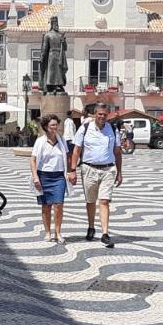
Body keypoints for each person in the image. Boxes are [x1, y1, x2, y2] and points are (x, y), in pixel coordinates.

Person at [67, 103, 123, 248]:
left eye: (105, 114)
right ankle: (91, 227)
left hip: (108, 170)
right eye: (99, 114)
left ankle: (105, 233)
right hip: (89, 168)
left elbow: (117, 152)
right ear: (94, 114)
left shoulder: (113, 129)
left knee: (104, 201)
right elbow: (76, 150)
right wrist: (72, 170)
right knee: (91, 201)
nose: (102, 117)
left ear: (108, 115)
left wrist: (119, 172)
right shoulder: (85, 128)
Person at [30, 115, 68, 243]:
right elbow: (33, 160)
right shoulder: (40, 141)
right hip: (44, 176)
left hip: (59, 177)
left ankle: (58, 232)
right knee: (46, 206)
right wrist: (35, 177)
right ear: (46, 127)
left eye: (56, 125)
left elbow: (66, 157)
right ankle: (48, 232)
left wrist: (70, 172)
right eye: (52, 125)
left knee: (58, 204)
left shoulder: (61, 140)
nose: (55, 127)